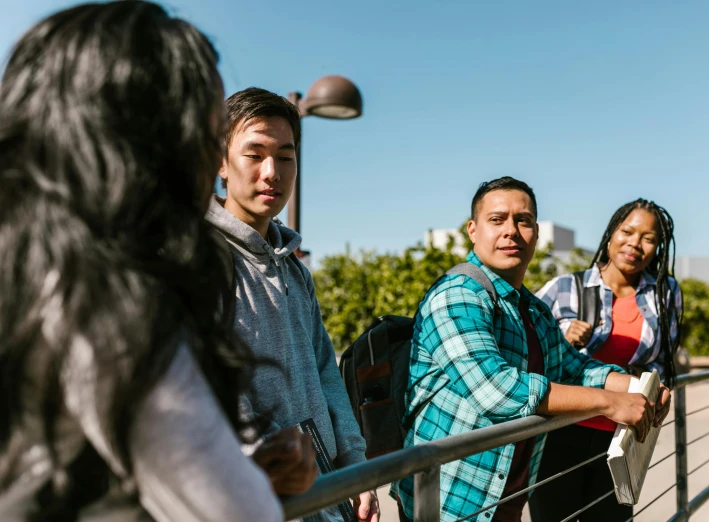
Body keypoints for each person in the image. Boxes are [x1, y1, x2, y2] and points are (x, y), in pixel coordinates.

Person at [0, 2, 315, 520]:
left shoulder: (36, 265)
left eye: (285, 157)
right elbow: (231, 508)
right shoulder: (110, 298)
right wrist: (247, 475)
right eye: (205, 134)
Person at [391, 177, 672, 522]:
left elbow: (574, 368)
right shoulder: (458, 295)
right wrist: (611, 403)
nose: (511, 230)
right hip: (450, 498)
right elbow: (496, 390)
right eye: (497, 219)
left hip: (504, 498)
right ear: (473, 230)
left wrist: (638, 387)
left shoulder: (533, 309)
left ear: (536, 233)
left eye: (522, 220)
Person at [207, 87, 380, 522]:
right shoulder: (200, 262)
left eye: (285, 156)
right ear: (220, 163)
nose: (272, 172)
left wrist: (353, 464)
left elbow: (325, 367)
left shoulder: (294, 268)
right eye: (255, 154)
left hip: (323, 493)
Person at [529, 199, 683, 522]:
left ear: (658, 246)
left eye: (648, 238)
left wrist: (659, 389)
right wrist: (563, 340)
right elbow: (527, 350)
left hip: (622, 437)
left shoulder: (665, 292)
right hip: (562, 430)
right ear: (611, 233)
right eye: (627, 231)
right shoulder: (565, 288)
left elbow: (663, 361)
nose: (635, 244)